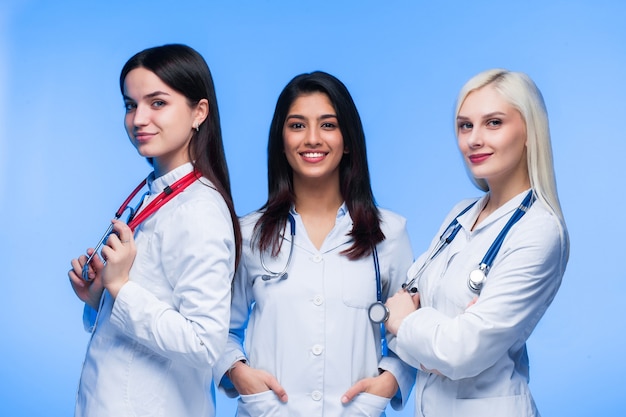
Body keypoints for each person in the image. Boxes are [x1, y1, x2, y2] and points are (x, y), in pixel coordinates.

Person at [213, 71, 415, 416]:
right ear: (281, 139)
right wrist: (238, 372)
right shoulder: (248, 235)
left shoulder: (389, 234)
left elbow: (409, 333)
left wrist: (390, 380)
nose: (312, 139)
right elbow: (218, 330)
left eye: (328, 125)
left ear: (347, 139)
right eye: (297, 125)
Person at [67, 44, 241, 417]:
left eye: (157, 103)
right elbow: (152, 305)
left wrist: (120, 287)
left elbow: (204, 343)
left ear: (199, 112)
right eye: (130, 105)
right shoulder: (154, 192)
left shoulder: (200, 210)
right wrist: (99, 296)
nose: (138, 119)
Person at [384, 69, 570, 416]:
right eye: (465, 125)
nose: (474, 139)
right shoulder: (460, 214)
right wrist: (432, 341)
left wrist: (410, 325)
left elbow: (458, 351)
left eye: (494, 123)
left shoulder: (540, 231)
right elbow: (401, 305)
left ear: (529, 130)